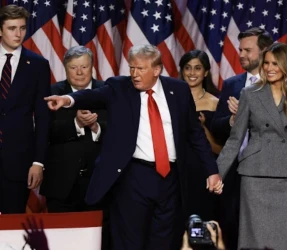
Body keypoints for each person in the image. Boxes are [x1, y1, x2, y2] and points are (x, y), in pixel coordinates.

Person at [44, 44, 223, 250]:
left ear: (157, 70)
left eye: (140, 69)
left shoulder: (179, 90)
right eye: (132, 68)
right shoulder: (120, 87)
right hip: (134, 177)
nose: (134, 74)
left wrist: (212, 171)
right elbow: (94, 96)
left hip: (171, 179)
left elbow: (195, 134)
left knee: (163, 239)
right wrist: (67, 99)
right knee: (130, 240)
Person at [217, 42, 287, 250]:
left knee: (286, 242)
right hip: (255, 177)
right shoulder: (250, 94)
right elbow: (235, 139)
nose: (269, 68)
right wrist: (216, 173)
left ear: (286, 66)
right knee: (256, 241)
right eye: (267, 63)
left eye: (275, 64)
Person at [210, 27, 273, 250]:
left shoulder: (278, 84)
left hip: (268, 172)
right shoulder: (232, 85)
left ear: (265, 51)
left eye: (248, 49)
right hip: (235, 173)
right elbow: (216, 126)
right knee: (232, 228)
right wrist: (233, 120)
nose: (242, 54)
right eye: (240, 49)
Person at [40, 46, 106, 213]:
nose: (79, 72)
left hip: (101, 185)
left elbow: (121, 132)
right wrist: (76, 124)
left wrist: (95, 127)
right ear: (65, 68)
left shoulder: (108, 92)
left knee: (101, 237)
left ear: (92, 67)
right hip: (61, 186)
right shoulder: (51, 93)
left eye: (84, 67)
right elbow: (43, 133)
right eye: (73, 67)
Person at [0, 4, 51, 214]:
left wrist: (38, 161)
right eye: (12, 28)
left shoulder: (38, 65)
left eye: (22, 28)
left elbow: (43, 117)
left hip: (18, 160)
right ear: (0, 30)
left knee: (12, 226)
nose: (18, 33)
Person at [178, 50, 221, 222]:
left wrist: (202, 128)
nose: (192, 73)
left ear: (206, 72)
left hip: (203, 173)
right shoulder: (171, 99)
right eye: (187, 68)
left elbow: (221, 149)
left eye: (197, 68)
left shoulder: (215, 103)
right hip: (176, 171)